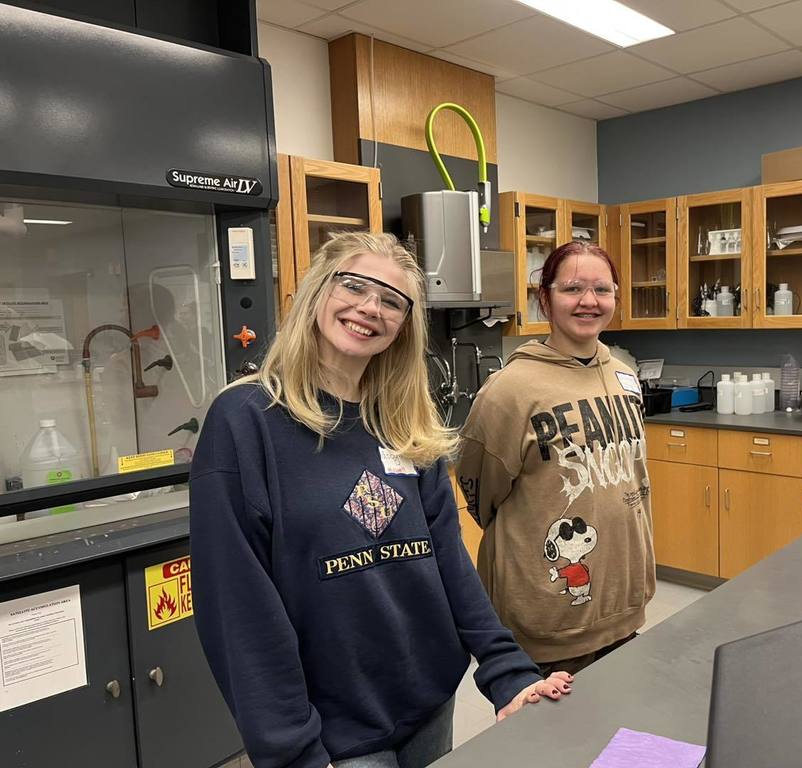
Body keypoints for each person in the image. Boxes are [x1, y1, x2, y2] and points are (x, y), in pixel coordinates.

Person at [190, 232, 571, 768]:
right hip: (330, 732)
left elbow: (447, 562)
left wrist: (507, 669)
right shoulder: (248, 419)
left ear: (404, 326)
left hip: (427, 702)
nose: (370, 308)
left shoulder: (406, 423)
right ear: (317, 292)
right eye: (354, 286)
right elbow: (237, 605)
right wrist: (290, 748)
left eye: (392, 300)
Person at [457, 240, 655, 678]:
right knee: (558, 746)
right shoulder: (510, 390)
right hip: (549, 620)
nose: (589, 301)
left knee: (622, 741)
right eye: (572, 289)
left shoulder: (624, 375)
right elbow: (481, 497)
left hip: (622, 609)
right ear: (545, 298)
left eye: (602, 289)